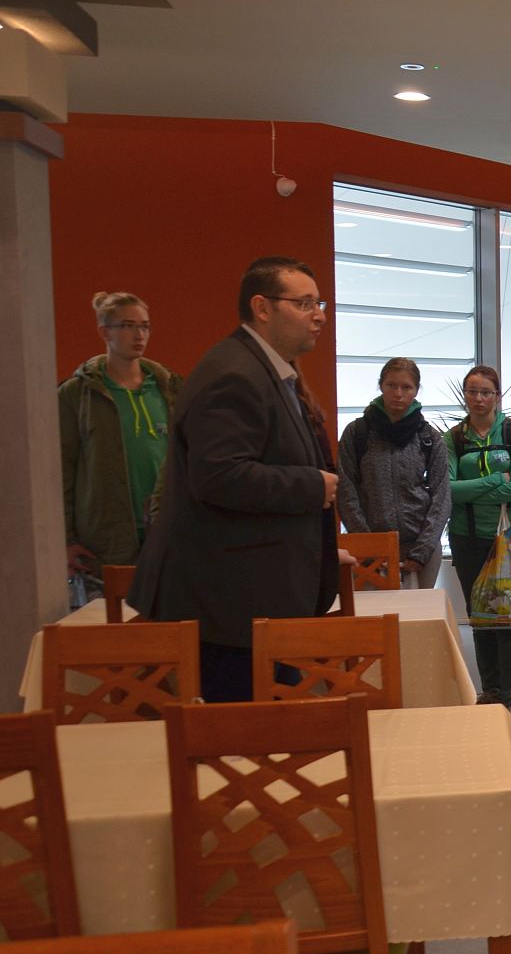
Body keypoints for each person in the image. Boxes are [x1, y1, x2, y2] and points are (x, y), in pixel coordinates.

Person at [128, 257, 340, 702]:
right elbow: (219, 475)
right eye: (304, 303)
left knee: (265, 734)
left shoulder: (263, 370)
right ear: (262, 308)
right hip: (229, 606)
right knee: (241, 737)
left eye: (318, 303)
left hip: (251, 599)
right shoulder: (235, 373)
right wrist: (311, 486)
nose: (319, 315)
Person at [59, 290, 182, 580]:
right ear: (105, 331)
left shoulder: (169, 388)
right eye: (127, 326)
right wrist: (66, 538)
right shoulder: (77, 394)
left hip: (166, 531)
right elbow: (61, 469)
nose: (139, 335)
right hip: (106, 538)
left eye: (145, 326)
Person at [446, 365, 511, 728]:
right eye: (472, 392)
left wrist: (474, 489)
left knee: (509, 619)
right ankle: (491, 691)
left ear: (497, 396)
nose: (479, 399)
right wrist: (497, 479)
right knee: (480, 618)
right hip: (467, 538)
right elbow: (448, 490)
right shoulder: (454, 438)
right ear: (464, 396)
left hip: (509, 538)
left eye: (486, 392)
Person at [336, 356, 451, 590]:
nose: (398, 393)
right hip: (370, 548)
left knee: (420, 612)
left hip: (420, 547)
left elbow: (442, 496)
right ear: (381, 386)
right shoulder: (357, 433)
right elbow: (346, 491)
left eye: (406, 387)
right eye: (391, 385)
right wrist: (371, 546)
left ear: (416, 390)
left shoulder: (428, 437)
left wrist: (422, 551)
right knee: (373, 612)